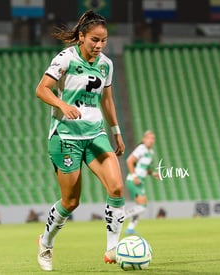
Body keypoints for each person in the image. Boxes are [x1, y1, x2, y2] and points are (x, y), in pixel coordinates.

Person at [35, 10, 125, 271]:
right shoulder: (65, 59)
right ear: (82, 36)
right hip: (66, 137)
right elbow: (41, 89)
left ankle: (112, 248)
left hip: (95, 134)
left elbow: (107, 100)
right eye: (94, 40)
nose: (99, 45)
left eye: (103, 40)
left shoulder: (106, 64)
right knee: (71, 202)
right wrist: (62, 104)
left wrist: (116, 130)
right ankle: (46, 242)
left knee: (117, 188)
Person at [124, 131, 160, 235]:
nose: (151, 140)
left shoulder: (151, 153)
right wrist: (134, 176)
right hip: (134, 180)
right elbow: (129, 161)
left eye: (153, 138)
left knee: (139, 207)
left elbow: (146, 168)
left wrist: (153, 174)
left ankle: (130, 229)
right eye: (149, 138)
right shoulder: (141, 149)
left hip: (140, 181)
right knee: (142, 206)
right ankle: (121, 216)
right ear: (144, 139)